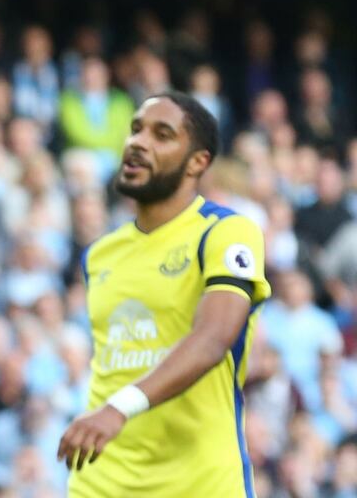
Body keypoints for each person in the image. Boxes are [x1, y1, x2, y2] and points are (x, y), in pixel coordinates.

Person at [57, 91, 272, 497]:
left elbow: (212, 339)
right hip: (101, 480)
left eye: (162, 134)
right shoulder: (100, 254)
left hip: (199, 482)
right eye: (136, 129)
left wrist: (118, 408)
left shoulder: (225, 232)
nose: (138, 142)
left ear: (198, 162)